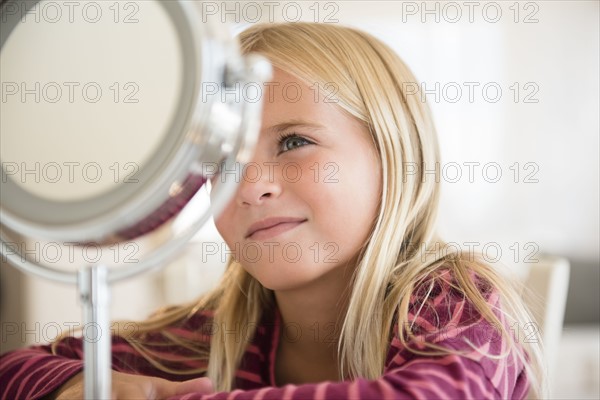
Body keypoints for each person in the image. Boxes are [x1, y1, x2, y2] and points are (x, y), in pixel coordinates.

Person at [0, 22, 543, 399]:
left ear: (395, 157)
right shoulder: (220, 332)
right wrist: (73, 387)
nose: (248, 185)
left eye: (293, 143)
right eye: (223, 160)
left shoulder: (457, 303)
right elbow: (13, 369)